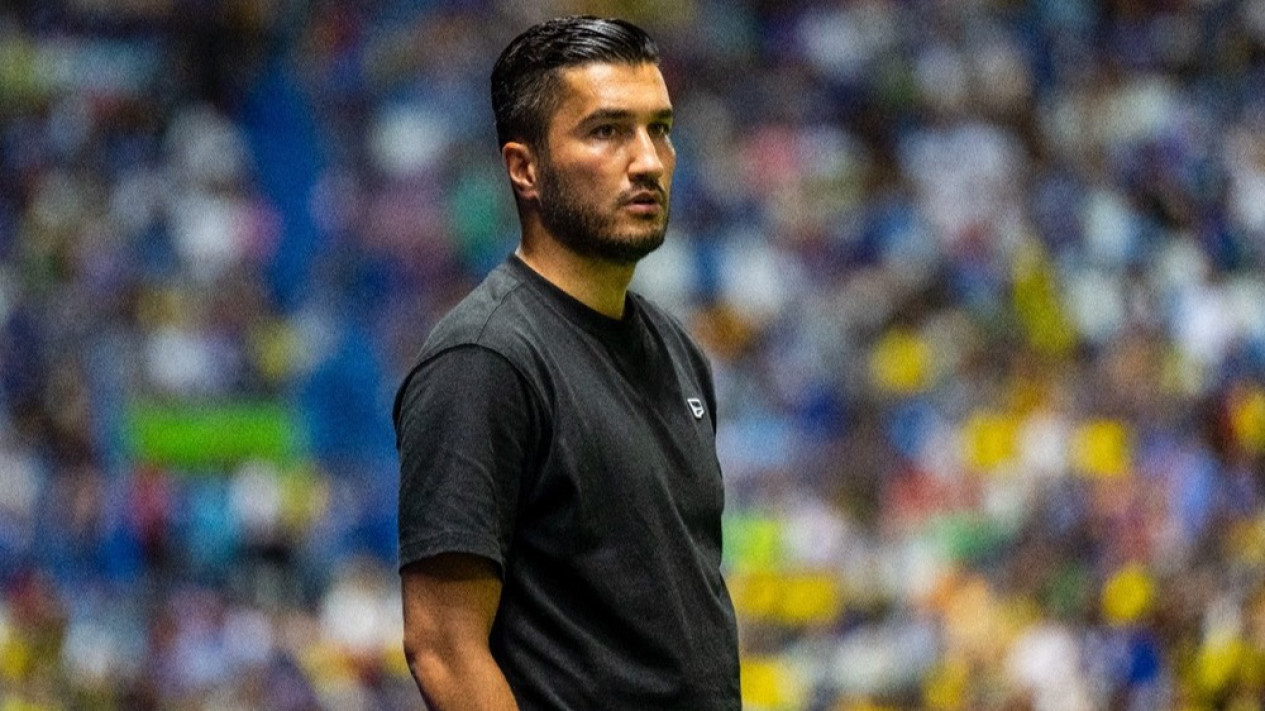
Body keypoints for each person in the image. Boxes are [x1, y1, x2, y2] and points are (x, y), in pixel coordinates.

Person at [392, 15, 741, 711]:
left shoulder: (678, 352)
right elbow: (443, 648)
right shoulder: (485, 360)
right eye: (607, 131)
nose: (648, 160)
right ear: (525, 168)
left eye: (660, 130)